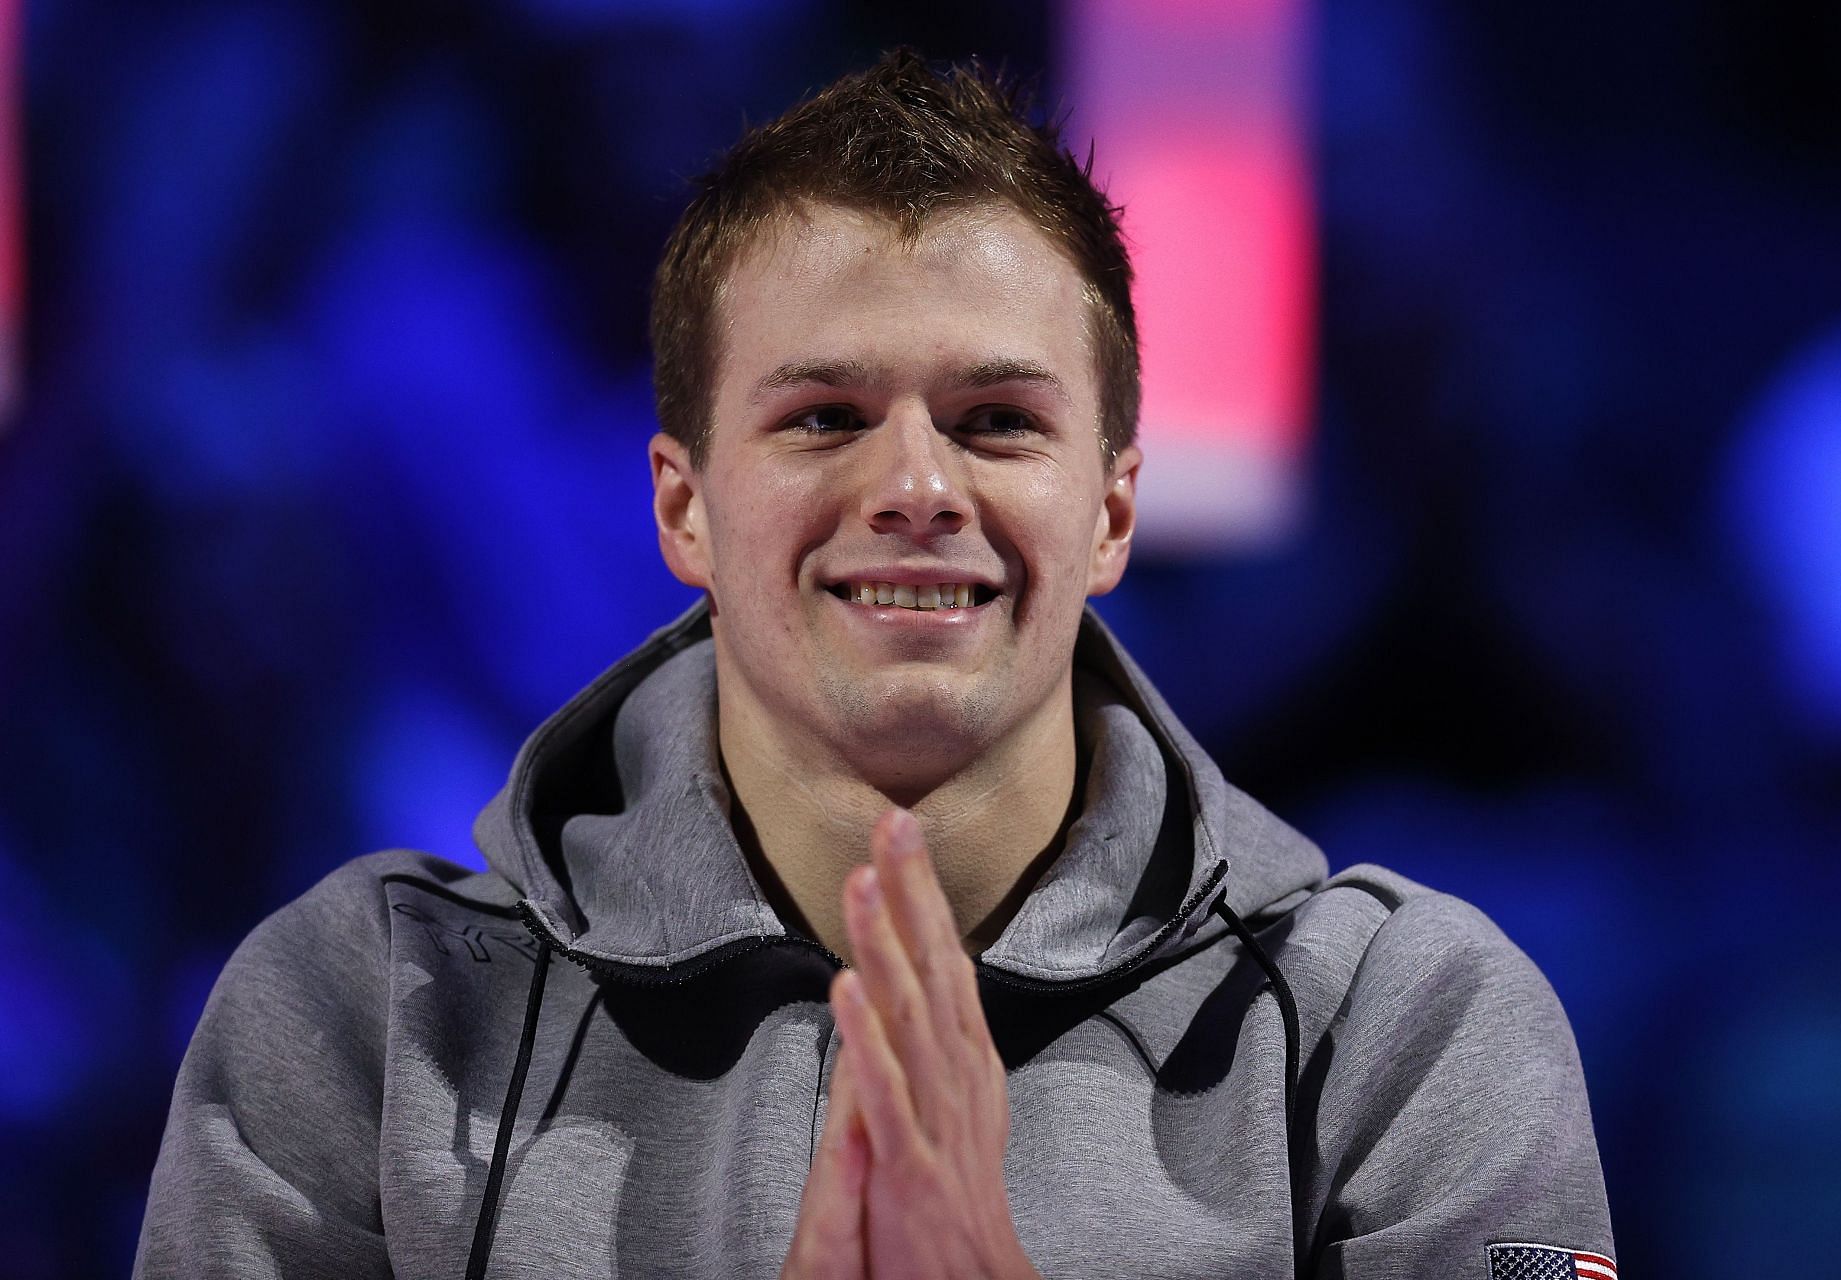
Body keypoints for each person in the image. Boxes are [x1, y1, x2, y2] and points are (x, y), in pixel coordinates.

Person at [136, 50, 1616, 1280]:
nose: (917, 484)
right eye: (827, 417)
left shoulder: (1423, 1027)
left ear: (1113, 506)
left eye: (996, 421)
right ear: (682, 505)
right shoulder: (351, 1028)